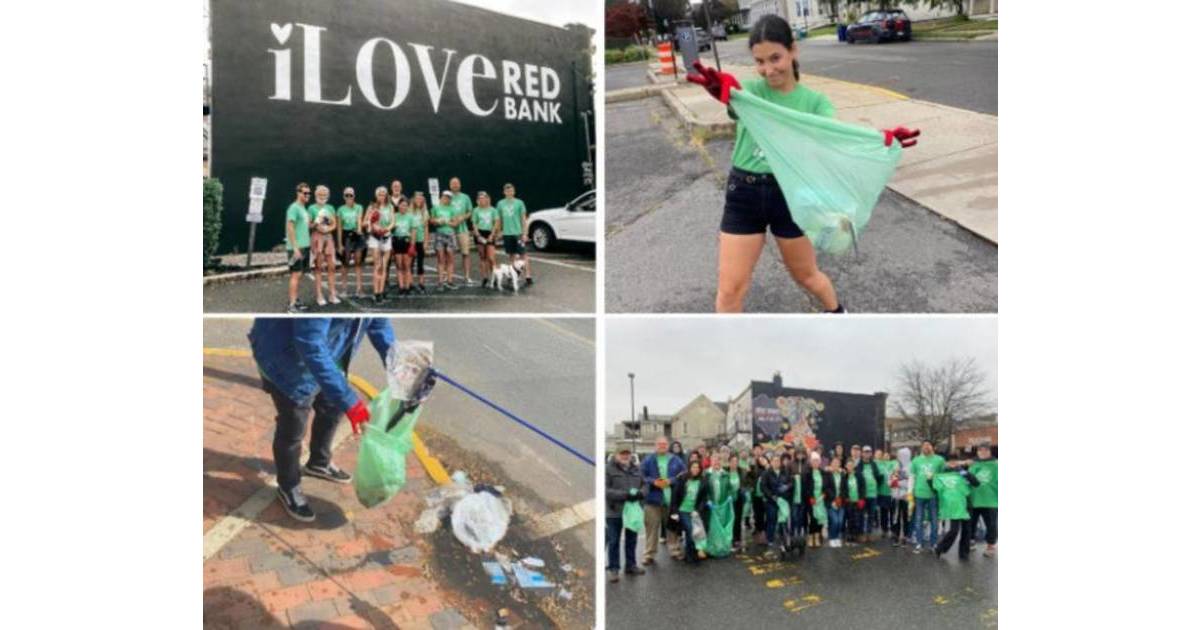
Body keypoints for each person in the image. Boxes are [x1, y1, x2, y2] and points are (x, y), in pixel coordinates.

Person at [249, 318, 394, 522]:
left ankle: (319, 462)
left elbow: (378, 323)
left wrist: (402, 367)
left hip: (327, 353)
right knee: (293, 427)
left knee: (333, 407)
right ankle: (288, 485)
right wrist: (350, 402)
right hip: (286, 358)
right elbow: (309, 342)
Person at [640, 436, 685, 564]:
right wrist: (654, 482)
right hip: (652, 500)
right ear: (655, 445)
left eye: (664, 444)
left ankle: (674, 550)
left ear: (668, 446)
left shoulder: (675, 459)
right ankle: (649, 554)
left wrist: (671, 481)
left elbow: (683, 475)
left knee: (672, 527)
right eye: (660, 444)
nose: (662, 446)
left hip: (671, 500)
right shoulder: (648, 460)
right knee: (651, 528)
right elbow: (641, 476)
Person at [605, 447, 646, 582]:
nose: (625, 456)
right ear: (616, 455)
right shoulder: (608, 469)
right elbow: (605, 490)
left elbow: (645, 485)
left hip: (632, 511)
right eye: (622, 453)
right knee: (614, 541)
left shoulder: (636, 469)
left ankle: (631, 565)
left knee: (631, 540)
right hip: (615, 511)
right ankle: (614, 569)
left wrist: (641, 493)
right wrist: (625, 495)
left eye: (627, 454)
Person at [929, 466, 981, 560]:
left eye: (955, 461)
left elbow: (976, 483)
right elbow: (935, 489)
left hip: (967, 505)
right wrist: (930, 480)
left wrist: (966, 474)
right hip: (954, 506)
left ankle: (964, 554)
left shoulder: (964, 472)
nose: (953, 463)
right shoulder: (943, 473)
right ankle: (940, 548)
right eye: (950, 461)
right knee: (954, 530)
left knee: (967, 530)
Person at [669, 460, 710, 564]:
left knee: (694, 532)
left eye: (697, 467)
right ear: (689, 468)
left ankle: (690, 554)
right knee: (690, 530)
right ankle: (690, 554)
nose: (695, 469)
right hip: (683, 510)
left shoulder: (703, 481)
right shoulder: (683, 479)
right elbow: (675, 496)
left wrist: (698, 510)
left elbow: (704, 499)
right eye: (693, 467)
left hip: (694, 512)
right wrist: (674, 511)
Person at [911, 440, 946, 553]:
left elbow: (943, 476)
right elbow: (912, 477)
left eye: (928, 445)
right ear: (921, 448)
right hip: (919, 494)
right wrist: (910, 492)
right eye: (924, 445)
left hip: (933, 494)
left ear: (933, 447)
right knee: (918, 520)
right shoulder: (916, 460)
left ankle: (933, 543)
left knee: (934, 520)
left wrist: (942, 492)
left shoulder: (939, 460)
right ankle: (919, 543)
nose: (926, 447)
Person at [307, 185, 340, 306]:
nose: (322, 197)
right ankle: (319, 295)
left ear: (328, 196)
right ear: (316, 195)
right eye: (320, 194)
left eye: (324, 195)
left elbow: (334, 224)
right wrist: (316, 223)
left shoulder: (330, 207)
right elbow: (309, 225)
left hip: (329, 238)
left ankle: (332, 294)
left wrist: (328, 229)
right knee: (318, 267)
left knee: (332, 267)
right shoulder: (311, 208)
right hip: (317, 238)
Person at [285, 182, 313, 313]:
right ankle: (291, 306)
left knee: (300, 274)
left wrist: (318, 223)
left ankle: (295, 300)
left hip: (305, 246)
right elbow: (290, 227)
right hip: (296, 248)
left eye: (309, 193)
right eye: (305, 193)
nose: (307, 195)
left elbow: (306, 227)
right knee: (295, 275)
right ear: (298, 193)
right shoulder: (294, 208)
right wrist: (295, 248)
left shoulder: (304, 209)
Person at [497, 183, 532, 285]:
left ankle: (528, 275)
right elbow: (499, 219)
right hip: (507, 233)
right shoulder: (500, 204)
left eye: (511, 190)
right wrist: (499, 231)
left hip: (518, 233)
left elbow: (523, 219)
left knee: (523, 254)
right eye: (507, 190)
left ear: (514, 191)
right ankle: (513, 274)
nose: (509, 192)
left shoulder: (519, 203)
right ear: (504, 192)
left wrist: (525, 233)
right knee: (511, 254)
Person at [760, 452, 793, 558]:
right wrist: (772, 496)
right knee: (771, 521)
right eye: (774, 461)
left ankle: (783, 541)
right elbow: (763, 487)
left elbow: (791, 483)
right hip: (772, 502)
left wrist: (787, 487)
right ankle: (770, 541)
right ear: (771, 462)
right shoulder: (766, 473)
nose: (776, 462)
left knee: (783, 522)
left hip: (783, 501)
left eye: (778, 461)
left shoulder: (785, 472)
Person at [968, 445, 998, 557]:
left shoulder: (996, 464)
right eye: (980, 450)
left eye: (985, 450)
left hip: (991, 500)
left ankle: (990, 546)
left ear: (990, 452)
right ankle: (971, 541)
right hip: (974, 499)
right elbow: (969, 479)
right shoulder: (974, 464)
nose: (982, 452)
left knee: (991, 525)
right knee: (971, 523)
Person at [365, 187, 394, 303]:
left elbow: (393, 222)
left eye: (384, 194)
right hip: (375, 238)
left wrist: (386, 229)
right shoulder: (371, 207)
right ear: (376, 195)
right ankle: (376, 293)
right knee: (377, 266)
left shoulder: (390, 206)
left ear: (386, 195)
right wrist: (372, 225)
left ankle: (381, 293)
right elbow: (365, 222)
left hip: (386, 237)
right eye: (379, 194)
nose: (382, 196)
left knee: (384, 266)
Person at [335, 187, 365, 298]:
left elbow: (359, 220)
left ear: (354, 196)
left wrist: (359, 230)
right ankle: (344, 289)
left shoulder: (359, 207)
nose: (348, 197)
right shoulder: (340, 209)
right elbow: (339, 228)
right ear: (343, 197)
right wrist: (339, 244)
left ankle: (359, 289)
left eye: (350, 195)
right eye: (346, 195)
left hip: (356, 235)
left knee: (358, 262)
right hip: (346, 236)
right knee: (345, 263)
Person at [431, 190, 461, 291]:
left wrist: (447, 222)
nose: (446, 199)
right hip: (439, 234)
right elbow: (432, 221)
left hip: (450, 234)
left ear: (450, 199)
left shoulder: (453, 209)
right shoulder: (436, 207)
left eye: (448, 197)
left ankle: (450, 281)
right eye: (445, 197)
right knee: (440, 259)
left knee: (450, 259)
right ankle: (440, 282)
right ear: (441, 197)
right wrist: (437, 221)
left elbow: (456, 223)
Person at [447, 177, 475, 286]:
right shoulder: (447, 197)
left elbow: (470, 211)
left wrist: (462, 218)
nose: (455, 185)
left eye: (457, 183)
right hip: (449, 230)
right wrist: (452, 221)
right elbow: (442, 210)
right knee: (449, 254)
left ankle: (467, 277)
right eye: (453, 183)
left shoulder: (465, 197)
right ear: (450, 185)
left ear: (460, 185)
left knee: (465, 253)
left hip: (463, 229)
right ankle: (448, 277)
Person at [471, 191, 500, 286]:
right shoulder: (476, 210)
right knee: (482, 257)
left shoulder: (493, 210)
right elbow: (474, 224)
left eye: (484, 198)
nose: (482, 200)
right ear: (478, 200)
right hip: (480, 233)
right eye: (480, 198)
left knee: (491, 258)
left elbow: (496, 223)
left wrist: (492, 235)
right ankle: (485, 277)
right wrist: (478, 235)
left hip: (489, 233)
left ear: (487, 199)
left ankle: (495, 277)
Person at [390, 197, 416, 296]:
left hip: (406, 241)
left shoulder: (410, 217)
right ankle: (401, 287)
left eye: (405, 205)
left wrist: (412, 246)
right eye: (401, 205)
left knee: (407, 266)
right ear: (398, 206)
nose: (403, 207)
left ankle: (407, 286)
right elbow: (391, 229)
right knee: (399, 266)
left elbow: (413, 232)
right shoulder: (394, 216)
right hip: (397, 241)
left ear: (407, 207)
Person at [804, 451, 828, 548]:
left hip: (821, 499)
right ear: (810, 462)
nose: (815, 463)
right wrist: (810, 497)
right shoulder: (807, 473)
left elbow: (827, 485)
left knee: (820, 519)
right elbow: (805, 487)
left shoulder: (823, 473)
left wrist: (824, 494)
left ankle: (817, 537)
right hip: (812, 500)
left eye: (817, 461)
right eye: (814, 461)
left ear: (820, 462)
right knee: (813, 519)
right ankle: (811, 537)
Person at [874, 448, 898, 545]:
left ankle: (893, 530)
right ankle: (884, 530)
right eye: (884, 456)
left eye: (888, 456)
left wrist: (895, 471)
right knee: (883, 513)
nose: (886, 457)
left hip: (892, 493)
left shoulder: (893, 463)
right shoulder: (879, 464)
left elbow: (896, 467)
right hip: (882, 493)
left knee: (892, 513)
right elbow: (875, 461)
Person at [408, 192, 430, 294]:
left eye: (420, 199)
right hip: (410, 241)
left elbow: (426, 228)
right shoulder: (409, 211)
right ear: (413, 200)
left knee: (420, 263)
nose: (418, 201)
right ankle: (410, 283)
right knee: (410, 263)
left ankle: (421, 284)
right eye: (417, 198)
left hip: (420, 240)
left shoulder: (425, 212)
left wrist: (426, 242)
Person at [892, 446, 914, 546]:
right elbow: (891, 479)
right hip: (896, 496)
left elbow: (911, 482)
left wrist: (899, 484)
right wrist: (891, 483)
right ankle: (896, 536)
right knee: (896, 517)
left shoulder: (911, 467)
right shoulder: (896, 466)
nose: (898, 457)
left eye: (899, 455)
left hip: (906, 497)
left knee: (906, 518)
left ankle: (905, 537)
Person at [826, 457, 847, 548]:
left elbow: (845, 489)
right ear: (831, 465)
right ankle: (832, 538)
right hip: (831, 502)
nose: (835, 465)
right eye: (834, 463)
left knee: (840, 521)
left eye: (837, 463)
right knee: (834, 521)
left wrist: (840, 498)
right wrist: (834, 499)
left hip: (841, 502)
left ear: (839, 465)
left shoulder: (842, 475)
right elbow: (827, 488)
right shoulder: (828, 475)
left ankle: (837, 537)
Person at [844, 458, 865, 545]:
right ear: (846, 466)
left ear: (854, 466)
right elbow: (843, 488)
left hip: (857, 501)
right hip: (849, 501)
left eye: (851, 465)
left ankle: (856, 536)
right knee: (849, 519)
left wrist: (862, 498)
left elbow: (863, 487)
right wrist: (846, 497)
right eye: (848, 465)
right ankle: (849, 535)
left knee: (857, 519)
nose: (850, 467)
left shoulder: (859, 475)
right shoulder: (845, 476)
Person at [861, 445, 880, 540]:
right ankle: (863, 533)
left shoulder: (874, 464)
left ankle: (869, 533)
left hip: (873, 494)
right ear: (862, 453)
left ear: (871, 453)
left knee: (871, 515)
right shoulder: (859, 465)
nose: (867, 453)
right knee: (862, 515)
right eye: (865, 452)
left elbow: (878, 476)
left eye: (869, 452)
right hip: (863, 494)